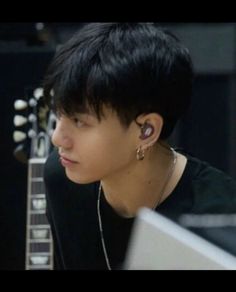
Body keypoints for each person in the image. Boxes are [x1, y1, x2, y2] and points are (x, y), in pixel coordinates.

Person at [43, 23, 236, 270]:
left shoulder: (219, 214)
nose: (57, 138)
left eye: (80, 122)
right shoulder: (63, 179)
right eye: (59, 114)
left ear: (146, 131)